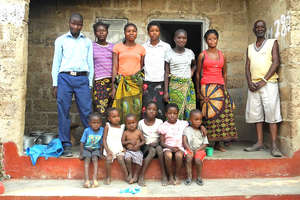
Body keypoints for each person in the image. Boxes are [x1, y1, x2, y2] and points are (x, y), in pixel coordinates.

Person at [52, 13, 93, 157]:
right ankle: (66, 144)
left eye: (79, 24)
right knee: (63, 111)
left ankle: (91, 143)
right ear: (69, 23)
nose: (76, 26)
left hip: (82, 79)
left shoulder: (87, 42)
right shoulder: (61, 40)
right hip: (64, 78)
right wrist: (55, 84)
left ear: (82, 25)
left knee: (87, 111)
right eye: (73, 23)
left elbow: (90, 64)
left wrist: (90, 83)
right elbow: (56, 62)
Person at [244, 20, 282, 157]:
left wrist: (263, 81)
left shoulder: (272, 43)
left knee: (272, 114)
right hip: (253, 86)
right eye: (257, 27)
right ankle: (259, 142)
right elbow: (247, 67)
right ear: (254, 30)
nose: (259, 29)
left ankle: (274, 146)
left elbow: (276, 62)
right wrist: (249, 82)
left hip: (269, 84)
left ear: (265, 29)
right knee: (256, 115)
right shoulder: (249, 47)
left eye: (262, 27)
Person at [195, 29, 238, 152]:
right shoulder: (202, 55)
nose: (212, 41)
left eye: (214, 38)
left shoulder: (222, 55)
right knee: (208, 116)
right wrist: (198, 90)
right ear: (206, 41)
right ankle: (207, 143)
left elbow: (224, 73)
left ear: (217, 40)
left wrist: (224, 88)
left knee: (221, 116)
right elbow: (198, 74)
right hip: (207, 89)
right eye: (209, 39)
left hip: (220, 87)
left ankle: (218, 143)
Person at [111, 23, 146, 123]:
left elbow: (141, 66)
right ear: (124, 33)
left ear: (136, 33)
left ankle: (133, 134)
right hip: (122, 83)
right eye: (128, 31)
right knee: (120, 109)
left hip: (135, 84)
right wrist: (113, 86)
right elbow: (114, 67)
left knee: (136, 108)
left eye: (134, 31)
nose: (131, 33)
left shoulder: (141, 49)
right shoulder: (117, 47)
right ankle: (121, 133)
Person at [164, 29, 196, 120]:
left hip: (188, 85)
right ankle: (175, 133)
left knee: (189, 111)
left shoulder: (190, 53)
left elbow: (195, 65)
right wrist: (166, 92)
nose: (181, 40)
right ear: (174, 39)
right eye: (179, 37)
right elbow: (166, 73)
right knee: (175, 112)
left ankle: (187, 133)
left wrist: (192, 72)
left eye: (184, 38)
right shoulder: (169, 53)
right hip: (174, 87)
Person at [142, 22, 171, 119]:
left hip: (161, 83)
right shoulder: (143, 47)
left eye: (156, 31)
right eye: (151, 31)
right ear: (148, 32)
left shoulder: (166, 47)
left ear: (159, 32)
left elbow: (168, 68)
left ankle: (160, 133)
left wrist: (166, 90)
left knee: (160, 110)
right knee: (147, 110)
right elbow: (141, 65)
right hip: (147, 83)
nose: (154, 33)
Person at [138, 101, 167, 187]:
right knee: (152, 150)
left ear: (157, 112)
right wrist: (148, 144)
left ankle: (164, 175)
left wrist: (157, 143)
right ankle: (141, 176)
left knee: (157, 149)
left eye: (154, 110)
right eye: (149, 109)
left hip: (157, 145)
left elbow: (162, 137)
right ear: (145, 110)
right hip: (145, 147)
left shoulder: (160, 122)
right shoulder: (141, 123)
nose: (151, 111)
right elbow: (139, 138)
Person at [158, 103, 189, 185]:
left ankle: (177, 175)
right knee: (168, 155)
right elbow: (161, 142)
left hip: (179, 147)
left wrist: (202, 127)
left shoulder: (183, 123)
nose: (172, 115)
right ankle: (170, 176)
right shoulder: (163, 126)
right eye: (170, 113)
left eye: (175, 113)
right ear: (166, 114)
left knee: (179, 156)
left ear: (178, 114)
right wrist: (170, 148)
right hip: (168, 147)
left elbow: (194, 123)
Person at [92, 21, 114, 123]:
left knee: (112, 112)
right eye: (98, 31)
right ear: (95, 33)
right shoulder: (91, 46)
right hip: (99, 83)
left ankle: (109, 136)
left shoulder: (113, 47)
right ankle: (100, 136)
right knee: (100, 111)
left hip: (112, 82)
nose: (101, 33)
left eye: (103, 31)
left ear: (107, 32)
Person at [102, 108, 128, 185]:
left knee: (120, 159)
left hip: (118, 148)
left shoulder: (122, 127)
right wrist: (107, 150)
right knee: (109, 160)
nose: (117, 118)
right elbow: (104, 139)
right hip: (109, 148)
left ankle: (126, 175)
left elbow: (122, 139)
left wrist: (124, 147)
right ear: (109, 119)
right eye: (114, 117)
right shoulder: (108, 126)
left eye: (118, 116)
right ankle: (108, 177)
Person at [183, 109, 208, 186]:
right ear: (190, 120)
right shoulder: (187, 129)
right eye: (196, 119)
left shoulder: (202, 131)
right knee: (188, 158)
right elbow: (184, 141)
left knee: (197, 160)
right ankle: (189, 177)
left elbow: (205, 144)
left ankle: (199, 177)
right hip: (189, 148)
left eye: (200, 120)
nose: (198, 121)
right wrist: (189, 149)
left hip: (199, 150)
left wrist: (197, 150)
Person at [79, 113, 104, 188]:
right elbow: (82, 142)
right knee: (87, 160)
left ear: (101, 123)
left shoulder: (102, 130)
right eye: (94, 123)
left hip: (96, 149)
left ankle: (95, 179)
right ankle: (86, 180)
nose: (96, 124)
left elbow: (102, 143)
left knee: (95, 159)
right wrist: (81, 153)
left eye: (98, 123)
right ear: (90, 123)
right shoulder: (87, 130)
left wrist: (101, 153)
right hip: (87, 149)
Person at [122, 114, 146, 184]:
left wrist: (138, 145)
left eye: (133, 123)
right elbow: (123, 142)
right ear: (126, 124)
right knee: (127, 159)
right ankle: (130, 173)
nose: (131, 125)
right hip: (129, 151)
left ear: (136, 123)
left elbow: (144, 141)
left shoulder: (138, 132)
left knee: (139, 161)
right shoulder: (125, 133)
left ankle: (135, 175)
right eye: (129, 123)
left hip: (137, 151)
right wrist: (129, 141)